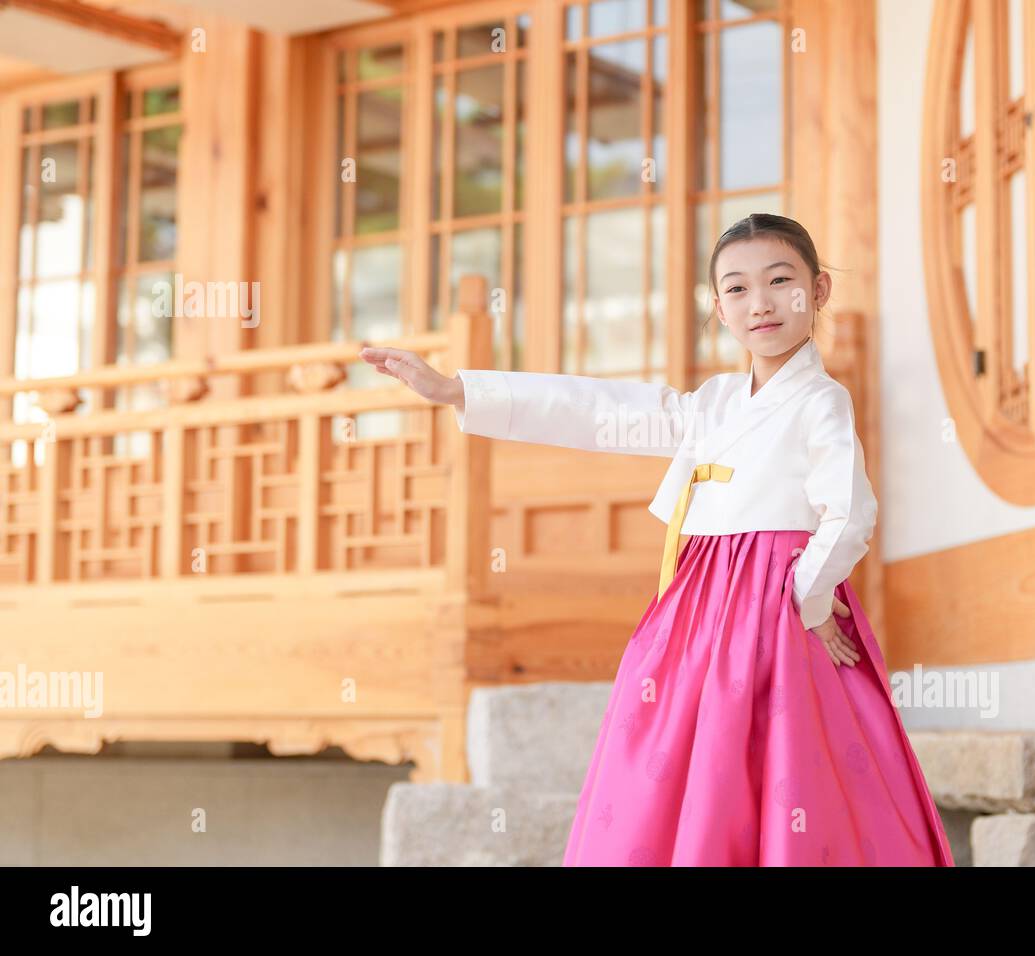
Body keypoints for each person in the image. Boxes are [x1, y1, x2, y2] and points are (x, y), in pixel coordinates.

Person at [360, 213, 954, 867]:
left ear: (818, 291)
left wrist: (809, 600)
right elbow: (601, 411)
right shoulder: (715, 403)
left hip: (772, 603)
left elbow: (849, 511)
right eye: (735, 288)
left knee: (778, 761)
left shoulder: (821, 400)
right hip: (699, 603)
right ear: (719, 308)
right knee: (677, 755)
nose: (759, 303)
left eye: (779, 281)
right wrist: (458, 389)